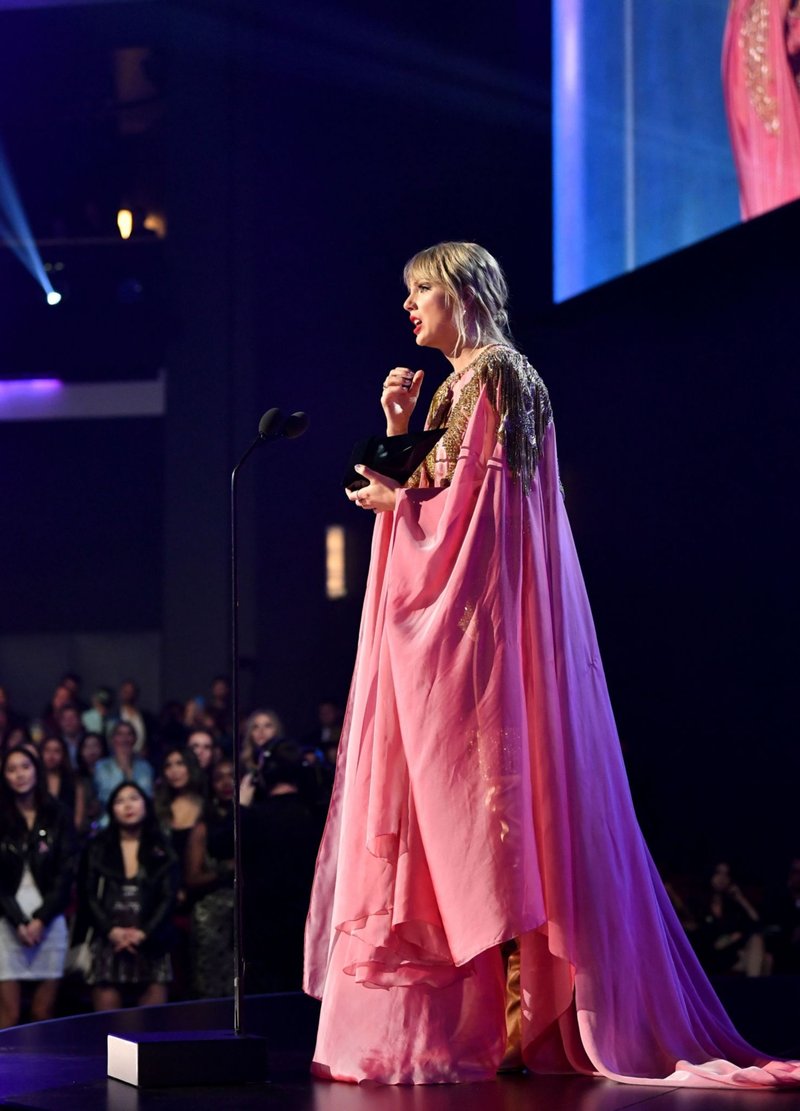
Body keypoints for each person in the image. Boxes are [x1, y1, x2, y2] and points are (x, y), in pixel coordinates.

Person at [303, 242, 800, 1089]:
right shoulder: (472, 382)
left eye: (421, 289)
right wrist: (396, 438)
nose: (409, 305)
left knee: (483, 823)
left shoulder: (498, 376)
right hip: (468, 636)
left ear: (463, 291)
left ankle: (508, 1022)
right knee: (459, 823)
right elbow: (444, 487)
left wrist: (400, 506)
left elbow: (479, 517)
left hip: (473, 645)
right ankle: (483, 1021)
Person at [81, 781, 177, 1010]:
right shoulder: (97, 847)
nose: (128, 806)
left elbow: (168, 896)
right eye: (120, 801)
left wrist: (144, 933)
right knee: (109, 1030)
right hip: (109, 943)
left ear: (146, 804)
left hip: (151, 941)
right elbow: (88, 895)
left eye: (134, 798)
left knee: (152, 1031)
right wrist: (111, 931)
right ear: (111, 809)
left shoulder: (162, 848)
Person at [0, 747, 76, 1026]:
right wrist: (19, 921)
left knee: (43, 1014)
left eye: (25, 767)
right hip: (7, 917)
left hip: (50, 915)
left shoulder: (58, 814)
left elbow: (66, 873)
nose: (19, 774)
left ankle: (38, 1069)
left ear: (36, 770)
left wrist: (41, 919)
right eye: (11, 769)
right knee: (9, 1015)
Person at [93, 721, 153, 818]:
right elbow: (104, 797)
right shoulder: (102, 767)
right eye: (120, 734)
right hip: (109, 818)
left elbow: (147, 796)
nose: (124, 739)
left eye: (129, 734)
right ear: (113, 739)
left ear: (135, 739)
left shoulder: (145, 767)